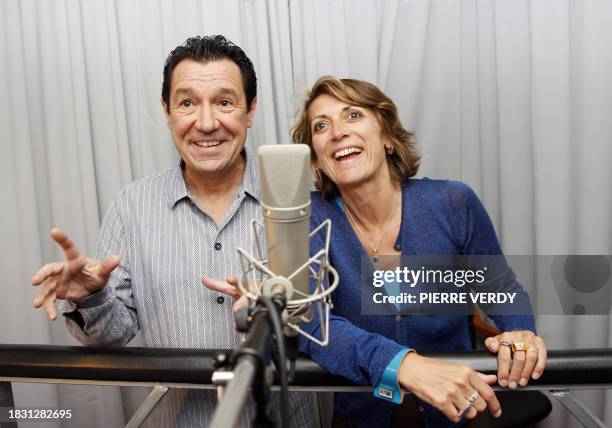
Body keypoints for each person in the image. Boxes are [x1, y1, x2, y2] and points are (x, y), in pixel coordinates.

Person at [30, 35, 313, 427]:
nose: (207, 123)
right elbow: (113, 335)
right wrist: (92, 297)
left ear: (250, 110)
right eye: (187, 103)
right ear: (167, 112)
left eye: (225, 102)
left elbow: (334, 319)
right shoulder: (131, 206)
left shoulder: (299, 202)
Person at [290, 76, 548, 427]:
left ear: (387, 139)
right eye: (321, 125)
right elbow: (312, 321)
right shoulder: (308, 219)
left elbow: (501, 290)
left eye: (353, 116)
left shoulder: (453, 203)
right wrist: (402, 364)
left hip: (460, 414)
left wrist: (520, 332)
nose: (337, 132)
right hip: (360, 419)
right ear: (317, 159)